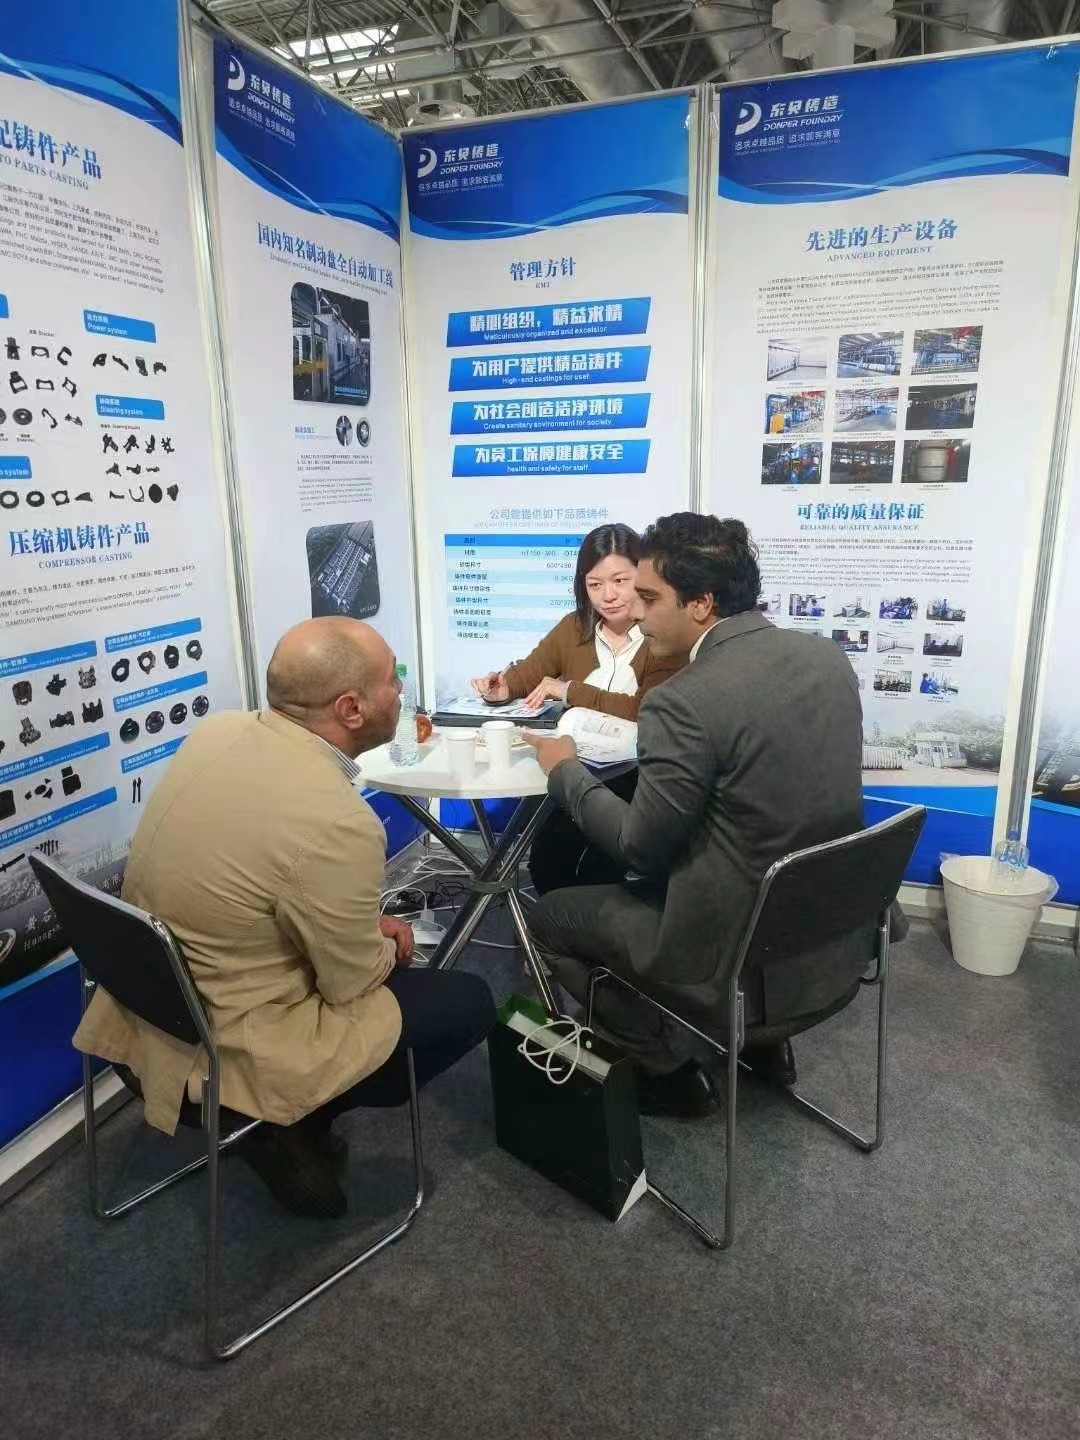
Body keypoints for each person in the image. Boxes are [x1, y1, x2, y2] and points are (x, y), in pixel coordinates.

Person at [74, 618, 496, 1218]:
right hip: (227, 1048)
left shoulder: (218, 732)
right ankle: (289, 1121)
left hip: (144, 1014)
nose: (401, 691)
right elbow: (352, 981)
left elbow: (251, 883)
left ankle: (285, 1126)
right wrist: (382, 942)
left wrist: (353, 927)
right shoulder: (339, 822)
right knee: (468, 1001)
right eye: (391, 680)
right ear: (350, 708)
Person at [522, 513, 867, 1118]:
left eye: (649, 598)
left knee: (549, 918)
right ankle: (762, 1043)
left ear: (702, 603)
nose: (635, 613)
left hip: (724, 946)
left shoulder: (684, 700)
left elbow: (637, 846)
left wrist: (564, 769)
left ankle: (665, 1063)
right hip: (827, 932)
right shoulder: (826, 658)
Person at [470, 523, 684, 721]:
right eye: (595, 584)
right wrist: (503, 689)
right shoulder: (574, 626)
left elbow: (645, 710)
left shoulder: (662, 634)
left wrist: (569, 691)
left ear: (643, 574)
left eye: (619, 581)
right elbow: (529, 674)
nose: (608, 595)